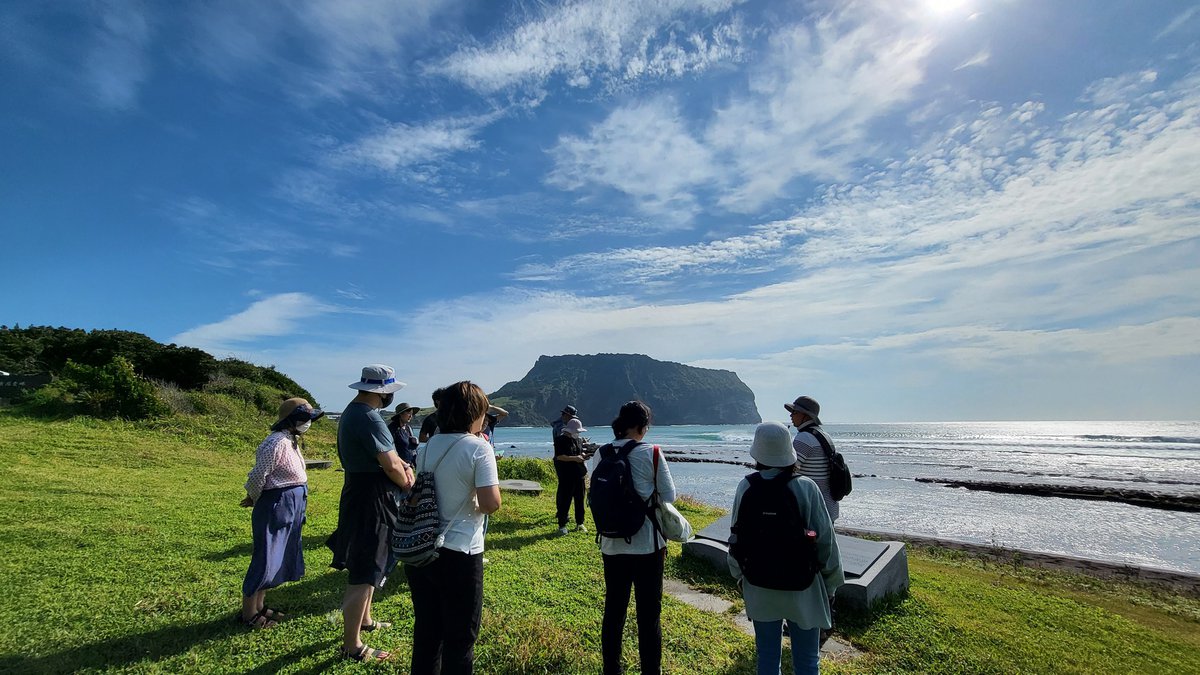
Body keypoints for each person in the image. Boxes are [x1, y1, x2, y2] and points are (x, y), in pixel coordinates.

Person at [728, 421, 843, 675]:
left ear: (757, 453)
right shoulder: (806, 487)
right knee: (807, 661)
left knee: (767, 658)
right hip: (803, 586)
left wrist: (739, 576)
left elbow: (735, 537)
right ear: (788, 452)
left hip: (759, 584)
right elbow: (826, 542)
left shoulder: (746, 486)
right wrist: (831, 584)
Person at [405, 381, 502, 675]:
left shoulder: (428, 445)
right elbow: (491, 503)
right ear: (475, 413)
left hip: (422, 547)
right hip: (460, 550)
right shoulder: (478, 447)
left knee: (427, 633)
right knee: (460, 638)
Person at [326, 365, 414, 663]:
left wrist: (401, 466)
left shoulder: (353, 413)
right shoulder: (369, 418)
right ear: (384, 392)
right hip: (372, 498)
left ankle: (365, 618)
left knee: (372, 562)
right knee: (365, 569)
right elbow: (390, 465)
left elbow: (388, 458)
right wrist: (408, 482)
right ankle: (353, 645)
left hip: (358, 490)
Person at [599, 401, 675, 675]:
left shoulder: (602, 452)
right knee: (649, 616)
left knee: (614, 611)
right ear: (643, 427)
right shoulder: (652, 453)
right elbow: (669, 497)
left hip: (611, 543)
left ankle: (612, 669)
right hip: (648, 546)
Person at [239, 397, 323, 629]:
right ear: (293, 420)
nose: (308, 424)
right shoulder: (276, 442)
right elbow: (258, 475)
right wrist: (254, 497)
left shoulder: (290, 440)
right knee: (266, 554)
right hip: (276, 503)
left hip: (290, 503)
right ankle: (249, 613)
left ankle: (260, 605)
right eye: (305, 419)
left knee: (276, 554)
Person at [786, 396, 839, 522]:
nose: (791, 416)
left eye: (794, 412)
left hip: (811, 508)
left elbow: (788, 470)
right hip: (828, 504)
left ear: (806, 415)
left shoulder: (804, 438)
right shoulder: (824, 435)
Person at [553, 417, 589, 535]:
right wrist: (575, 458)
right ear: (570, 430)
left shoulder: (578, 440)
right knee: (565, 501)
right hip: (566, 476)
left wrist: (584, 456)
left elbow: (579, 453)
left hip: (579, 475)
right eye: (577, 431)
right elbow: (559, 456)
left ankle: (580, 522)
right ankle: (562, 525)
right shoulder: (560, 440)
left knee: (580, 500)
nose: (578, 434)